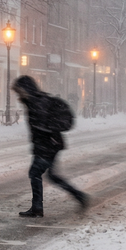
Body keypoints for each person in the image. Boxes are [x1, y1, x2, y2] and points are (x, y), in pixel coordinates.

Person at [12, 75, 88, 218]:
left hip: (47, 145)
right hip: (50, 144)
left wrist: (42, 140)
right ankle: (79, 196)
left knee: (35, 173)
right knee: (51, 176)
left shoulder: (37, 102)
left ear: (25, 89)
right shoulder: (35, 101)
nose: (18, 94)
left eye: (19, 90)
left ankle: (37, 208)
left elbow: (42, 126)